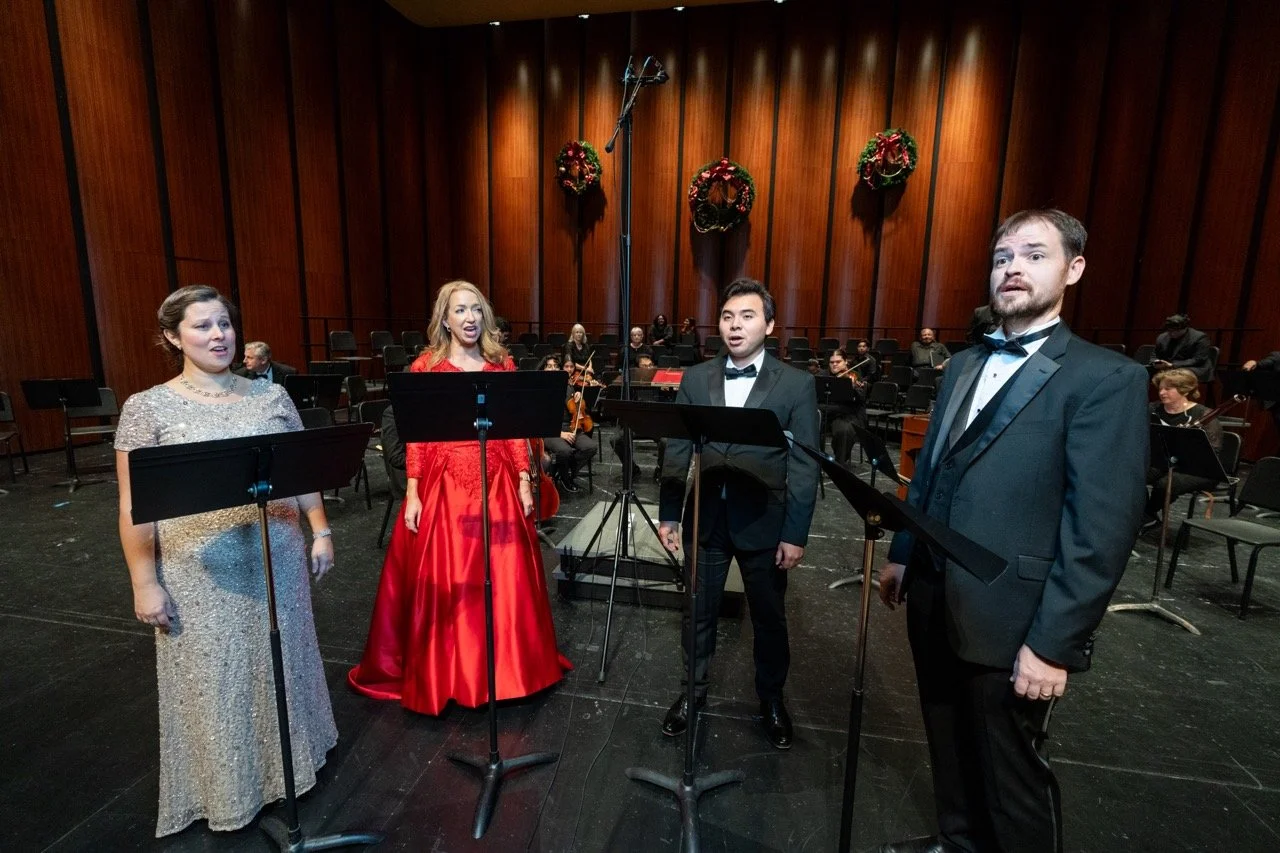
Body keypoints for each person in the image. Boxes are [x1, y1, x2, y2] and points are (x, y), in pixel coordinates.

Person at [877, 209, 1148, 853]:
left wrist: (1055, 644)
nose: (1014, 269)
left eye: (1033, 254)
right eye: (1003, 257)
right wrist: (903, 554)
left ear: (1073, 269)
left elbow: (1101, 529)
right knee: (945, 741)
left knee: (1012, 775)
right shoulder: (963, 364)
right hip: (936, 594)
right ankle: (958, 841)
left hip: (1015, 616)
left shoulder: (1106, 379)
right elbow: (933, 472)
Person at [115, 285, 337, 837]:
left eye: (224, 324)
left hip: (276, 554)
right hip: (199, 570)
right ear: (173, 337)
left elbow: (303, 472)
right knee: (218, 676)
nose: (218, 335)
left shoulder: (270, 397)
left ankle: (289, 773)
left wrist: (321, 530)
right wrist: (145, 582)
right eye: (202, 326)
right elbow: (132, 506)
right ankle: (229, 789)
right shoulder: (146, 409)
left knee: (282, 662)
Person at [348, 280, 570, 715]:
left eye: (476, 309)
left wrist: (525, 479)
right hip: (444, 480)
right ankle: (452, 671)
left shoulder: (500, 364)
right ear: (444, 320)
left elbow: (512, 430)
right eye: (460, 311)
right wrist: (413, 492)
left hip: (499, 480)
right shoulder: (425, 368)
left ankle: (511, 670)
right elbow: (418, 439)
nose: (469, 318)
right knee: (453, 581)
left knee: (505, 578)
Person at [657, 278, 819, 750]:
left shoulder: (797, 384)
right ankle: (693, 694)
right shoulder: (695, 378)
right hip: (705, 519)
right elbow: (678, 450)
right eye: (727, 316)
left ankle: (770, 699)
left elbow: (806, 464)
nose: (734, 325)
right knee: (697, 615)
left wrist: (796, 533)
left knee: (769, 620)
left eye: (747, 316)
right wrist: (670, 515)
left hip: (765, 523)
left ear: (769, 325)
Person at [1144, 368, 1223, 529]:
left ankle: (1147, 514)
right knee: (1134, 476)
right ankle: (1141, 515)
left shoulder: (1204, 415)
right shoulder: (1153, 409)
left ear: (1184, 389)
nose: (1162, 392)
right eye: (1160, 388)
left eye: (1167, 388)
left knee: (1165, 484)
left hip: (1196, 469)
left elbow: (1212, 452)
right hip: (1163, 462)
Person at [543, 355, 598, 493]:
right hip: (550, 430)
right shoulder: (540, 389)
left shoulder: (567, 386)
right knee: (564, 451)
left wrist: (578, 399)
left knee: (590, 447)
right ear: (543, 369)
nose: (553, 369)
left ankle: (565, 472)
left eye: (556, 366)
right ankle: (566, 479)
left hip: (571, 427)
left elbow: (574, 410)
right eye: (549, 366)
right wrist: (560, 433)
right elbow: (540, 419)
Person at [821, 348, 867, 467]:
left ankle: (839, 463)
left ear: (846, 362)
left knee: (843, 430)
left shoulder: (854, 375)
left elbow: (861, 398)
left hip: (847, 414)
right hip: (828, 412)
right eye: (832, 362)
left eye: (838, 361)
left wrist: (854, 388)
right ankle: (816, 458)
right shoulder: (824, 375)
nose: (834, 364)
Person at [1151, 313, 1213, 382]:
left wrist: (1172, 365)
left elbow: (1198, 359)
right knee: (1143, 371)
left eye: (1176, 331)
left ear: (1185, 328)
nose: (1172, 333)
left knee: (1174, 375)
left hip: (1195, 367)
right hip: (1169, 368)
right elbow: (1155, 355)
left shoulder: (1199, 337)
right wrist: (1155, 362)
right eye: (1170, 330)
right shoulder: (1162, 337)